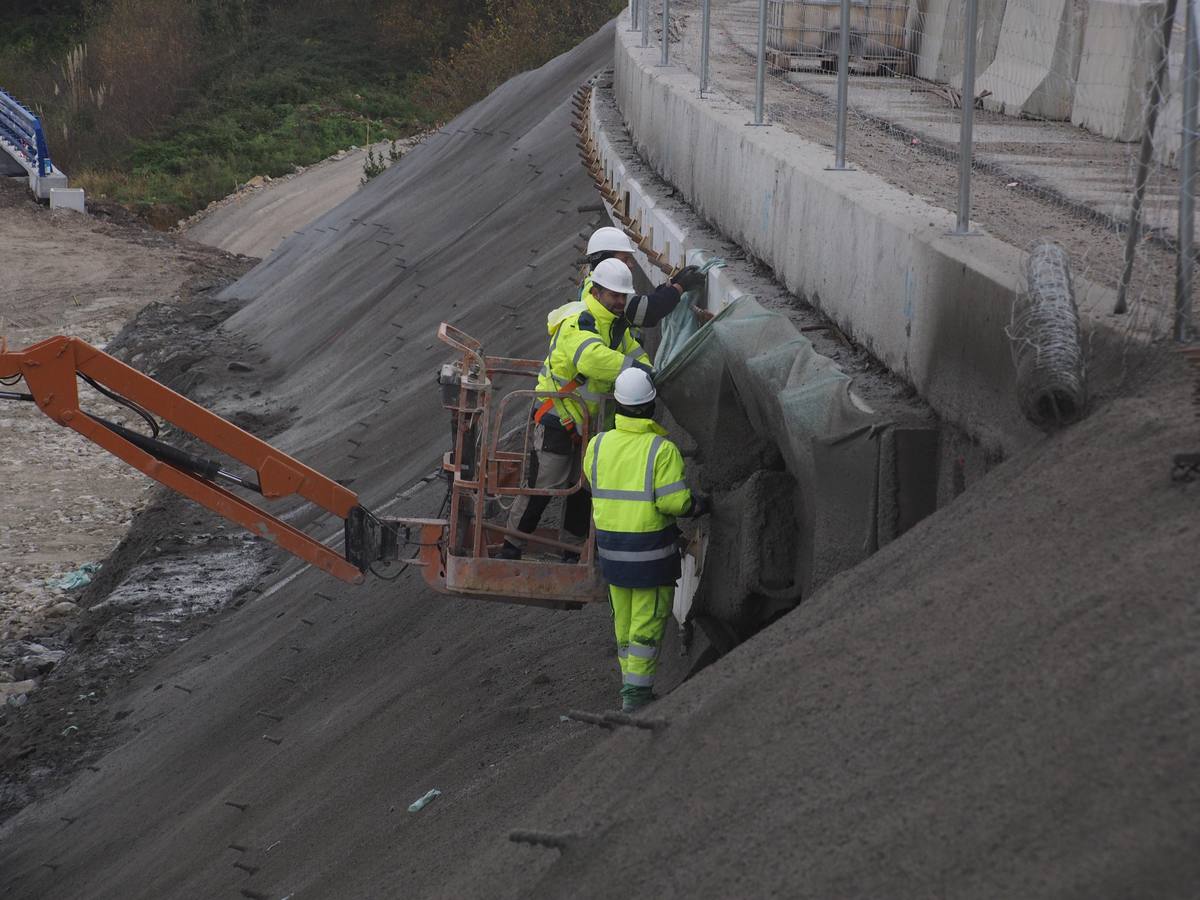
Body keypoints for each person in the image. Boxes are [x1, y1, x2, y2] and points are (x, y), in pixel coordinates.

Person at [497, 258, 654, 561]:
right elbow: (591, 359)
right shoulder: (580, 321)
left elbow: (637, 355)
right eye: (614, 295)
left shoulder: (618, 327)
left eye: (624, 296)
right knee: (545, 486)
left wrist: (648, 370)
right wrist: (638, 371)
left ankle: (572, 551)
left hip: (590, 425)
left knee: (582, 488)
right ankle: (511, 547)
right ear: (596, 292)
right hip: (559, 417)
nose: (620, 301)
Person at [582, 368, 711, 713]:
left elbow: (592, 482)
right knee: (646, 626)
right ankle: (636, 699)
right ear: (651, 406)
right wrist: (698, 503)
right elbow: (674, 503)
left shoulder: (597, 445)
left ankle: (630, 689)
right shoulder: (661, 450)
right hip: (650, 556)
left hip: (611, 555)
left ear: (619, 407)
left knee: (623, 627)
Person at [584, 226, 708, 332]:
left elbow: (644, 303)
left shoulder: (595, 283)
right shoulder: (603, 288)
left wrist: (672, 284)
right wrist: (680, 286)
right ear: (605, 260)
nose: (631, 265)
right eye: (625, 259)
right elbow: (648, 311)